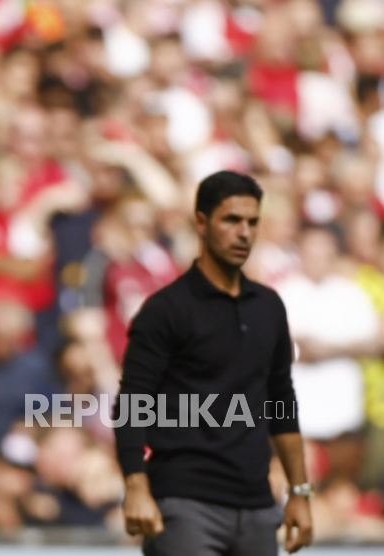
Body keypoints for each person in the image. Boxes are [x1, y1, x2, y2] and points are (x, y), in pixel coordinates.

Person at [114, 171, 313, 555]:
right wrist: (136, 488)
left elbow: (280, 402)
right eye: (231, 220)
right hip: (185, 505)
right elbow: (132, 403)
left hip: (257, 505)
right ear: (201, 223)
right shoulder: (166, 310)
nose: (244, 233)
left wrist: (300, 492)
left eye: (253, 222)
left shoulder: (268, 307)